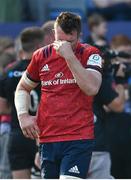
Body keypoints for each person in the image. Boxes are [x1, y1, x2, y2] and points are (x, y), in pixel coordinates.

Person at [15, 12, 102, 179]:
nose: (63, 46)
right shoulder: (42, 55)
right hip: (47, 138)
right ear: (54, 34)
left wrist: (69, 56)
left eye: (70, 41)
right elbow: (23, 88)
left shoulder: (90, 53)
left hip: (78, 137)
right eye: (60, 40)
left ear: (79, 36)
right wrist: (23, 115)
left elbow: (91, 88)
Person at [0, 27, 44, 179]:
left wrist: (19, 111)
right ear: (39, 46)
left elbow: (2, 108)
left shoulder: (8, 71)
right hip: (42, 134)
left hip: (17, 133)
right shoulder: (46, 70)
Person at [87, 60, 125, 178]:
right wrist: (119, 80)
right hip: (95, 145)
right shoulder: (96, 76)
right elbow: (118, 105)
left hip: (67, 145)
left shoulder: (60, 75)